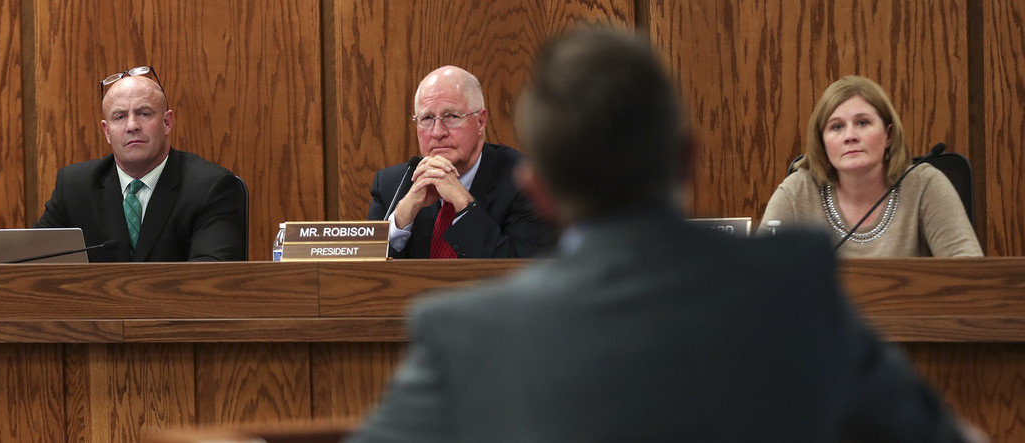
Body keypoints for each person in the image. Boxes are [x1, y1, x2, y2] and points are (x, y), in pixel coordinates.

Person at [348, 28, 978, 442]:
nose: (434, 129)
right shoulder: (794, 286)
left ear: (538, 188)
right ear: (687, 160)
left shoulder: (461, 335)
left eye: (449, 116)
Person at [35, 66, 247, 262]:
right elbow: (29, 263)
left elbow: (211, 278)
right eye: (119, 117)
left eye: (144, 113)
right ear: (107, 132)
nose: (132, 126)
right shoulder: (75, 187)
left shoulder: (211, 188)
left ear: (167, 122)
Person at [760, 76, 982, 257]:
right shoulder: (798, 191)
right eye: (836, 127)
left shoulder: (924, 184)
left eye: (862, 123)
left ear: (888, 134)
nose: (850, 136)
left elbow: (967, 272)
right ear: (822, 142)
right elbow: (759, 273)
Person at [366, 66, 549, 259]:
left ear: (480, 121)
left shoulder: (524, 181)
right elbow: (363, 275)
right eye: (427, 118)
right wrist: (402, 217)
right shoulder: (391, 187)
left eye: (452, 116)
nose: (437, 132)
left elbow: (521, 273)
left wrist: (464, 205)